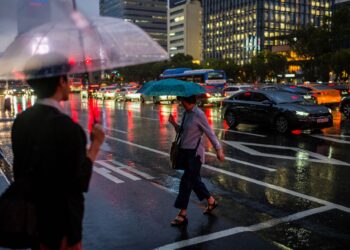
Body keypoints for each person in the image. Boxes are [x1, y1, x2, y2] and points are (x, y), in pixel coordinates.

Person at [11, 53, 105, 250]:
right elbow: (79, 181)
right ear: (61, 81)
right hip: (63, 229)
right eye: (67, 78)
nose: (69, 83)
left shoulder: (20, 122)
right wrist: (95, 145)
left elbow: (19, 172)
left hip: (34, 222)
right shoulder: (68, 128)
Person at [168, 95, 225, 226]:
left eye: (181, 100)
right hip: (185, 153)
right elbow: (182, 132)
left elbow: (210, 133)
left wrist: (218, 149)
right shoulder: (187, 114)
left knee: (186, 182)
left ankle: (182, 214)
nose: (180, 103)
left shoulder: (199, 114)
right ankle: (211, 201)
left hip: (195, 155)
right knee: (194, 181)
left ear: (185, 101)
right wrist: (173, 123)